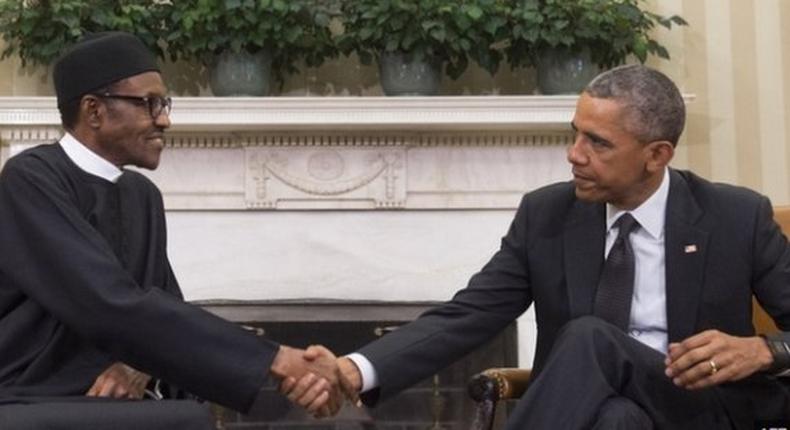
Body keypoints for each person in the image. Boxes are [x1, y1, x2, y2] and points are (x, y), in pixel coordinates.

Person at [283, 64, 790, 429]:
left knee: (592, 337)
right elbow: (468, 316)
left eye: (598, 143)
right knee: (617, 419)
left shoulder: (734, 216)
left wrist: (765, 350)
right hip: (602, 411)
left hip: (703, 407)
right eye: (575, 135)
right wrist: (353, 368)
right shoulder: (548, 215)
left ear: (656, 155)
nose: (574, 155)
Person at [0, 32, 345, 428]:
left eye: (163, 104)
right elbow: (105, 302)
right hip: (32, 396)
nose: (164, 119)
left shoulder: (141, 194)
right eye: (149, 104)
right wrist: (277, 360)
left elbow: (164, 306)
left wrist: (139, 364)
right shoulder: (31, 179)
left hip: (118, 400)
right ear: (94, 111)